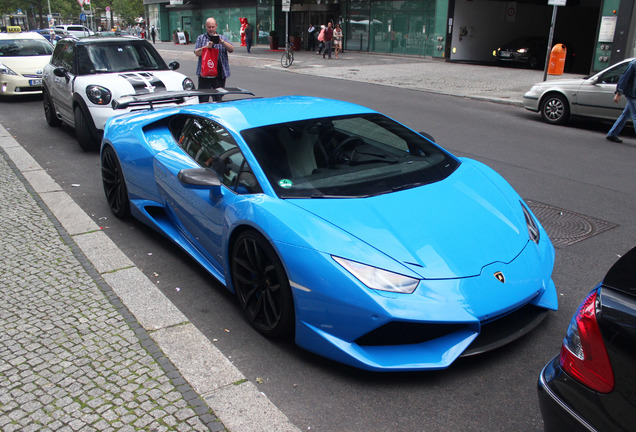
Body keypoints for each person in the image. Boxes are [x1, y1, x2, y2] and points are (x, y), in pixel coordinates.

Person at [194, 17, 234, 102]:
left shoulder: (222, 38)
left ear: (216, 26)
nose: (211, 29)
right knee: (203, 98)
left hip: (219, 74)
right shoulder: (201, 38)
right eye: (209, 27)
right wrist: (207, 47)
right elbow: (196, 53)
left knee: (218, 98)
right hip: (205, 74)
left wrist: (222, 42)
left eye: (213, 27)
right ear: (205, 27)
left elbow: (231, 49)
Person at [607, 58, 636, 143]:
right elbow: (624, 79)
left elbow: (624, 78)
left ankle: (612, 134)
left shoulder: (633, 64)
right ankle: (612, 134)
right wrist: (618, 93)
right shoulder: (633, 64)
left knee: (626, 114)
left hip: (632, 94)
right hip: (633, 95)